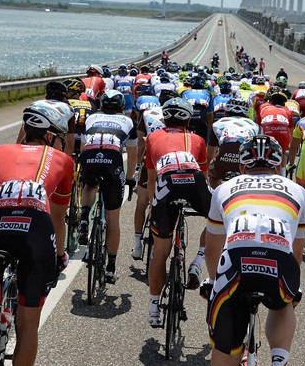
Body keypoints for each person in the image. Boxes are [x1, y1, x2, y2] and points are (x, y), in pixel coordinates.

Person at [0, 103, 73, 363]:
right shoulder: (64, 160)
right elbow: (57, 217)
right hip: (36, 229)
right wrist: (59, 256)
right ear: (49, 135)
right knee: (28, 324)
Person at [203, 134, 305, 366]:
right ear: (278, 166)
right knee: (284, 302)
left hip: (236, 264)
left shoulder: (224, 188)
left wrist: (212, 282)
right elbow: (296, 253)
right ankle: (279, 360)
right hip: (280, 263)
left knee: (224, 349)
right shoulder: (298, 191)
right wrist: (293, 288)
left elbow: (212, 249)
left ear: (241, 166)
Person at [145, 97, 210, 327]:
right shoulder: (198, 139)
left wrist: (155, 207)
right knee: (218, 221)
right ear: (188, 119)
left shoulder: (152, 137)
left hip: (165, 184)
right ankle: (198, 262)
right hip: (193, 180)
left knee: (160, 253)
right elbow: (202, 176)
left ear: (164, 118)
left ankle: (154, 308)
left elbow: (153, 179)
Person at [77, 89, 138, 283]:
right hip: (112, 162)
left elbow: (82, 147)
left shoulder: (92, 118)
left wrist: (83, 171)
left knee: (89, 185)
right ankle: (111, 266)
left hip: (89, 156)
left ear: (102, 105)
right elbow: (133, 153)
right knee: (113, 219)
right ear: (121, 107)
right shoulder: (128, 121)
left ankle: (85, 216)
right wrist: (129, 178)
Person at [131, 88, 178, 260]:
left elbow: (140, 143)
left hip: (150, 161)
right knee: (165, 204)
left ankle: (137, 244)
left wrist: (138, 165)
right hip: (171, 163)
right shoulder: (179, 116)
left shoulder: (148, 113)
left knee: (142, 202)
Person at [15, 81, 75, 156]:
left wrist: (17, 152)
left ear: (46, 96)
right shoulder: (69, 108)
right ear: (64, 98)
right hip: (52, 137)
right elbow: (70, 143)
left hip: (30, 135)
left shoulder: (35, 104)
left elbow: (22, 133)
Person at [258, 89, 295, 175]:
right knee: (283, 152)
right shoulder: (287, 110)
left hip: (268, 132)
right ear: (284, 103)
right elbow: (291, 130)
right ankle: (282, 174)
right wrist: (288, 145)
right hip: (283, 134)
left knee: (263, 151)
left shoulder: (263, 107)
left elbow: (259, 127)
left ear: (271, 101)